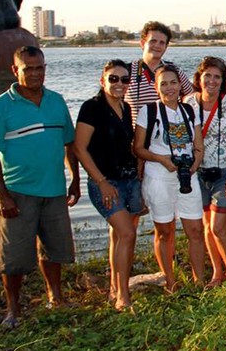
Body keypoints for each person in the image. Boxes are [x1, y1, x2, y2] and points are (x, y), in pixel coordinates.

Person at [0, 46, 80, 327]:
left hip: (54, 190)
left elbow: (69, 144)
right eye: (29, 69)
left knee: (54, 250)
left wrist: (74, 179)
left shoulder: (57, 101)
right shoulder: (0, 107)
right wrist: (2, 196)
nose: (36, 74)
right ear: (15, 70)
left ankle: (55, 297)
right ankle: (13, 309)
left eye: (40, 68)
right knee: (13, 256)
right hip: (18, 192)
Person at [74, 60, 142, 310]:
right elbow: (80, 149)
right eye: (114, 79)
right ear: (102, 81)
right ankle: (123, 296)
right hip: (106, 182)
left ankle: (115, 287)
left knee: (119, 235)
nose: (119, 84)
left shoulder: (125, 107)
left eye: (125, 80)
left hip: (129, 180)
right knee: (127, 233)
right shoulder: (91, 108)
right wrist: (101, 182)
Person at [133, 65, 205, 290]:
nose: (169, 88)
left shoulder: (189, 110)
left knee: (195, 229)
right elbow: (138, 148)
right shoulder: (149, 111)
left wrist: (195, 164)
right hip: (159, 177)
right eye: (163, 83)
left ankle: (199, 281)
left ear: (180, 85)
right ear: (156, 87)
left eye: (173, 82)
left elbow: (198, 144)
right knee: (165, 231)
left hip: (187, 175)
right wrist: (161, 158)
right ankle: (170, 281)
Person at [186, 57, 226, 287]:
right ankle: (217, 273)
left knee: (218, 226)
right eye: (207, 76)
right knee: (207, 227)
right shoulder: (188, 103)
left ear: (223, 81)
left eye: (217, 77)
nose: (211, 81)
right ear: (199, 78)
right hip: (198, 173)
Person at [125, 21, 194, 124]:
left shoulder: (175, 71)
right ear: (143, 43)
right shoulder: (128, 71)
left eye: (162, 42)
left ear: (166, 47)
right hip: (137, 137)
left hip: (169, 136)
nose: (157, 45)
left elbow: (192, 99)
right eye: (153, 41)